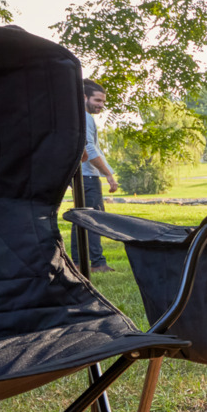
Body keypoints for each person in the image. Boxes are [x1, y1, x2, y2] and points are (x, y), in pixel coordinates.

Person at [70, 79, 119, 273]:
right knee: (91, 218)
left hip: (85, 175)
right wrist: (108, 174)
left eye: (103, 102)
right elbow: (88, 147)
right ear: (84, 97)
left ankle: (86, 261)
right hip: (87, 176)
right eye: (97, 100)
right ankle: (92, 263)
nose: (101, 105)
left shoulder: (79, 117)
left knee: (87, 217)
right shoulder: (85, 117)